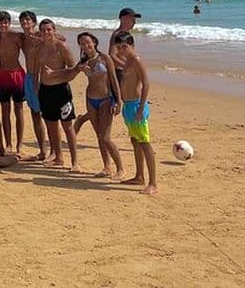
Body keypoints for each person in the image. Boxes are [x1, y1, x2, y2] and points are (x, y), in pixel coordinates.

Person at [57, 33, 125, 179]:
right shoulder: (84, 62)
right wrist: (55, 73)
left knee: (106, 136)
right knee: (99, 136)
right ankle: (107, 167)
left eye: (88, 42)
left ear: (94, 42)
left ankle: (120, 168)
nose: (85, 45)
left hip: (106, 99)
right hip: (91, 99)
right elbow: (70, 73)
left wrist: (118, 101)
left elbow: (113, 80)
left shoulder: (105, 58)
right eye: (81, 43)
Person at [33, 19, 80, 171]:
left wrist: (55, 74)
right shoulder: (38, 48)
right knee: (51, 126)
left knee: (68, 127)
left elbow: (74, 69)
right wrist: (35, 88)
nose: (46, 33)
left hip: (61, 91)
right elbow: (36, 71)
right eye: (43, 30)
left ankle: (75, 162)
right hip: (45, 91)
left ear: (54, 30)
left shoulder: (62, 47)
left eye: (49, 30)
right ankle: (58, 157)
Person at [114, 31, 157, 195]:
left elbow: (146, 84)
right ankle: (139, 176)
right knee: (135, 141)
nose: (121, 50)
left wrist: (141, 108)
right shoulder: (126, 62)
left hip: (138, 105)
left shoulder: (136, 60)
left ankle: (153, 182)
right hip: (128, 106)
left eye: (124, 47)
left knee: (145, 143)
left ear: (132, 46)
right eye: (119, 47)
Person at [0, 11, 27, 155]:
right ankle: (8, 144)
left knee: (18, 110)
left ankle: (19, 144)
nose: (3, 25)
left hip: (17, 74)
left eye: (5, 22)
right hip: (2, 75)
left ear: (9, 23)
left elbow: (31, 44)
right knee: (5, 111)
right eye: (0, 22)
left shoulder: (16, 36)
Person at [18, 11, 48, 160]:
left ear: (34, 22)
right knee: (35, 115)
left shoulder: (40, 35)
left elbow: (61, 38)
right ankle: (42, 151)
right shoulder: (23, 38)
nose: (25, 23)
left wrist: (43, 38)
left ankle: (54, 152)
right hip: (28, 78)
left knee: (48, 116)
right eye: (23, 20)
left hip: (40, 78)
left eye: (28, 20)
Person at [109, 8, 141, 84]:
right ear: (123, 19)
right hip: (120, 71)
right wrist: (127, 67)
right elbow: (112, 55)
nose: (134, 23)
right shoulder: (117, 34)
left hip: (126, 70)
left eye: (134, 21)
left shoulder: (127, 34)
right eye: (132, 20)